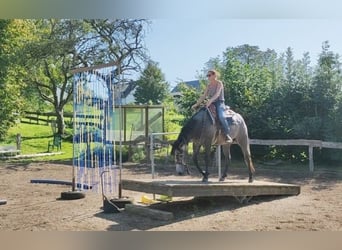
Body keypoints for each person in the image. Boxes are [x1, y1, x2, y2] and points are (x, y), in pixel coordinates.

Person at [191, 69, 233, 143]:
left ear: (214, 75)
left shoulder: (219, 83)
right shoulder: (209, 85)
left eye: (209, 75)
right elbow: (203, 96)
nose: (208, 77)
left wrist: (209, 101)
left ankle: (227, 134)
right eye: (207, 75)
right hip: (211, 103)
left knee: (221, 116)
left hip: (219, 102)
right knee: (201, 114)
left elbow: (217, 94)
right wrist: (196, 104)